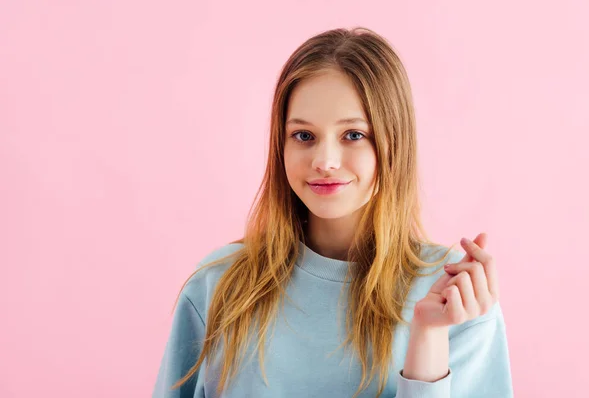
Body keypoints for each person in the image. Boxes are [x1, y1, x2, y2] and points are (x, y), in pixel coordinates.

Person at [152, 27, 513, 398]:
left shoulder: (457, 298)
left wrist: (429, 336)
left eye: (353, 135)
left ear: (395, 143)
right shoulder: (217, 286)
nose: (324, 161)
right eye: (303, 136)